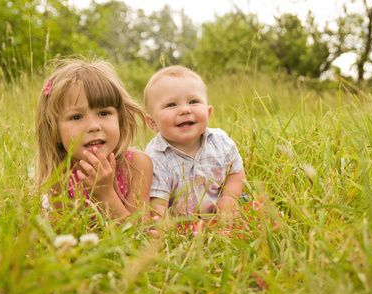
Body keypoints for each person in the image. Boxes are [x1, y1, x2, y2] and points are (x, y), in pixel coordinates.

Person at [35, 58, 152, 223]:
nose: (93, 126)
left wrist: (106, 195)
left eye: (104, 113)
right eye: (76, 117)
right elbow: (69, 233)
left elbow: (140, 233)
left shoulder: (137, 165)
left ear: (120, 118)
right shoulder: (59, 173)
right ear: (53, 129)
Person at [144, 65, 245, 222]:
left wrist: (229, 200)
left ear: (208, 113)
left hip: (219, 209)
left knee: (257, 210)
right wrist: (163, 225)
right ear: (152, 123)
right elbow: (158, 204)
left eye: (193, 101)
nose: (184, 110)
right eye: (171, 105)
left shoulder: (220, 142)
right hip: (181, 221)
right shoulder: (155, 158)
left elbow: (235, 171)